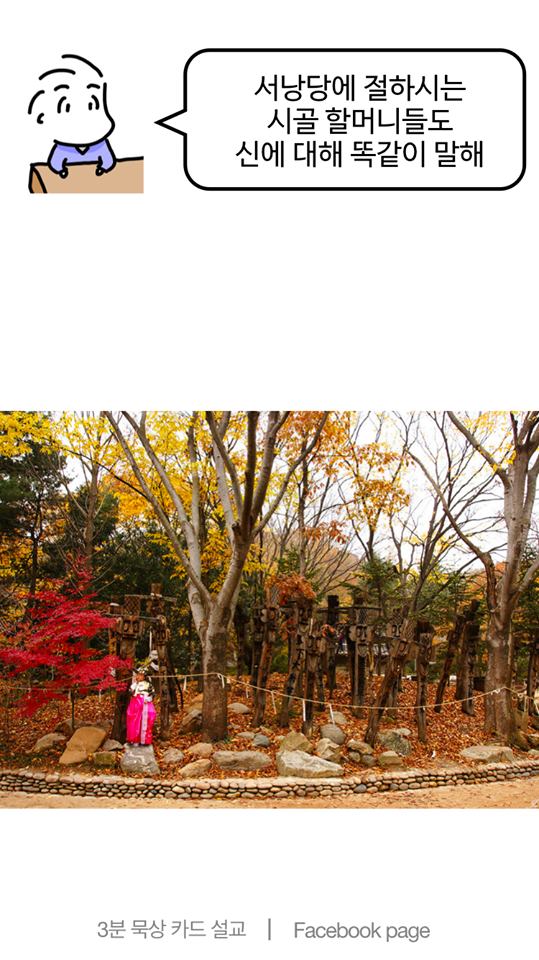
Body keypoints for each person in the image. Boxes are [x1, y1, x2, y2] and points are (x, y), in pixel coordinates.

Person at [28, 53, 116, 177]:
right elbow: (55, 164)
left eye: (92, 104)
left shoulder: (101, 145)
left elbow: (108, 161)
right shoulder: (62, 148)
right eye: (67, 107)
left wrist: (102, 169)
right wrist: (62, 172)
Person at [126, 667, 156, 745]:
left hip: (146, 703)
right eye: (137, 675)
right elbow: (130, 692)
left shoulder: (149, 685)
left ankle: (145, 739)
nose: (138, 676)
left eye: (140, 675)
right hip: (135, 703)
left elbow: (153, 693)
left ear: (144, 676)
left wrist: (149, 698)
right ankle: (134, 739)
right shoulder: (134, 685)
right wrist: (134, 687)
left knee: (149, 717)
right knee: (134, 719)